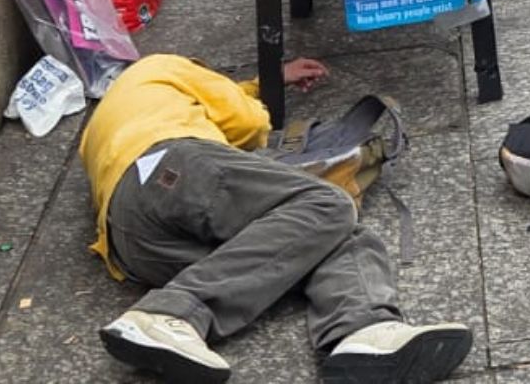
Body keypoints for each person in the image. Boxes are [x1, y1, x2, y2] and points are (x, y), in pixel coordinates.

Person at [81, 54, 471, 383]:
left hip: (131, 243)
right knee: (328, 206)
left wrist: (262, 82)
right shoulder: (164, 65)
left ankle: (361, 333)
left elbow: (227, 98)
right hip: (170, 164)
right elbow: (249, 125)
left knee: (307, 243)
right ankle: (171, 311)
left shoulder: (122, 110)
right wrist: (256, 107)